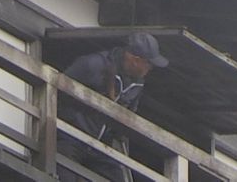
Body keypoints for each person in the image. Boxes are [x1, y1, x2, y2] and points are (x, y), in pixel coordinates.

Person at [56, 32, 169, 182]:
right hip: (71, 137)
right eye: (149, 64)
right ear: (136, 60)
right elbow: (57, 89)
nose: (150, 69)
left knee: (116, 177)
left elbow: (129, 116)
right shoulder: (93, 64)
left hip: (101, 146)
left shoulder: (138, 85)